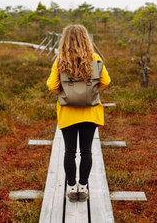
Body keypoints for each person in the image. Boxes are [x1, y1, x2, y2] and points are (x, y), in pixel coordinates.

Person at [46, 25, 111, 202]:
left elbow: (52, 86)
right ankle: (83, 188)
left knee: (69, 152)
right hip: (90, 112)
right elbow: (106, 81)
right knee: (86, 151)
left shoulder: (60, 60)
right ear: (86, 39)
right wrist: (90, 89)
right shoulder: (94, 58)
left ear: (64, 40)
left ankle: (71, 188)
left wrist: (67, 90)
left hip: (67, 112)